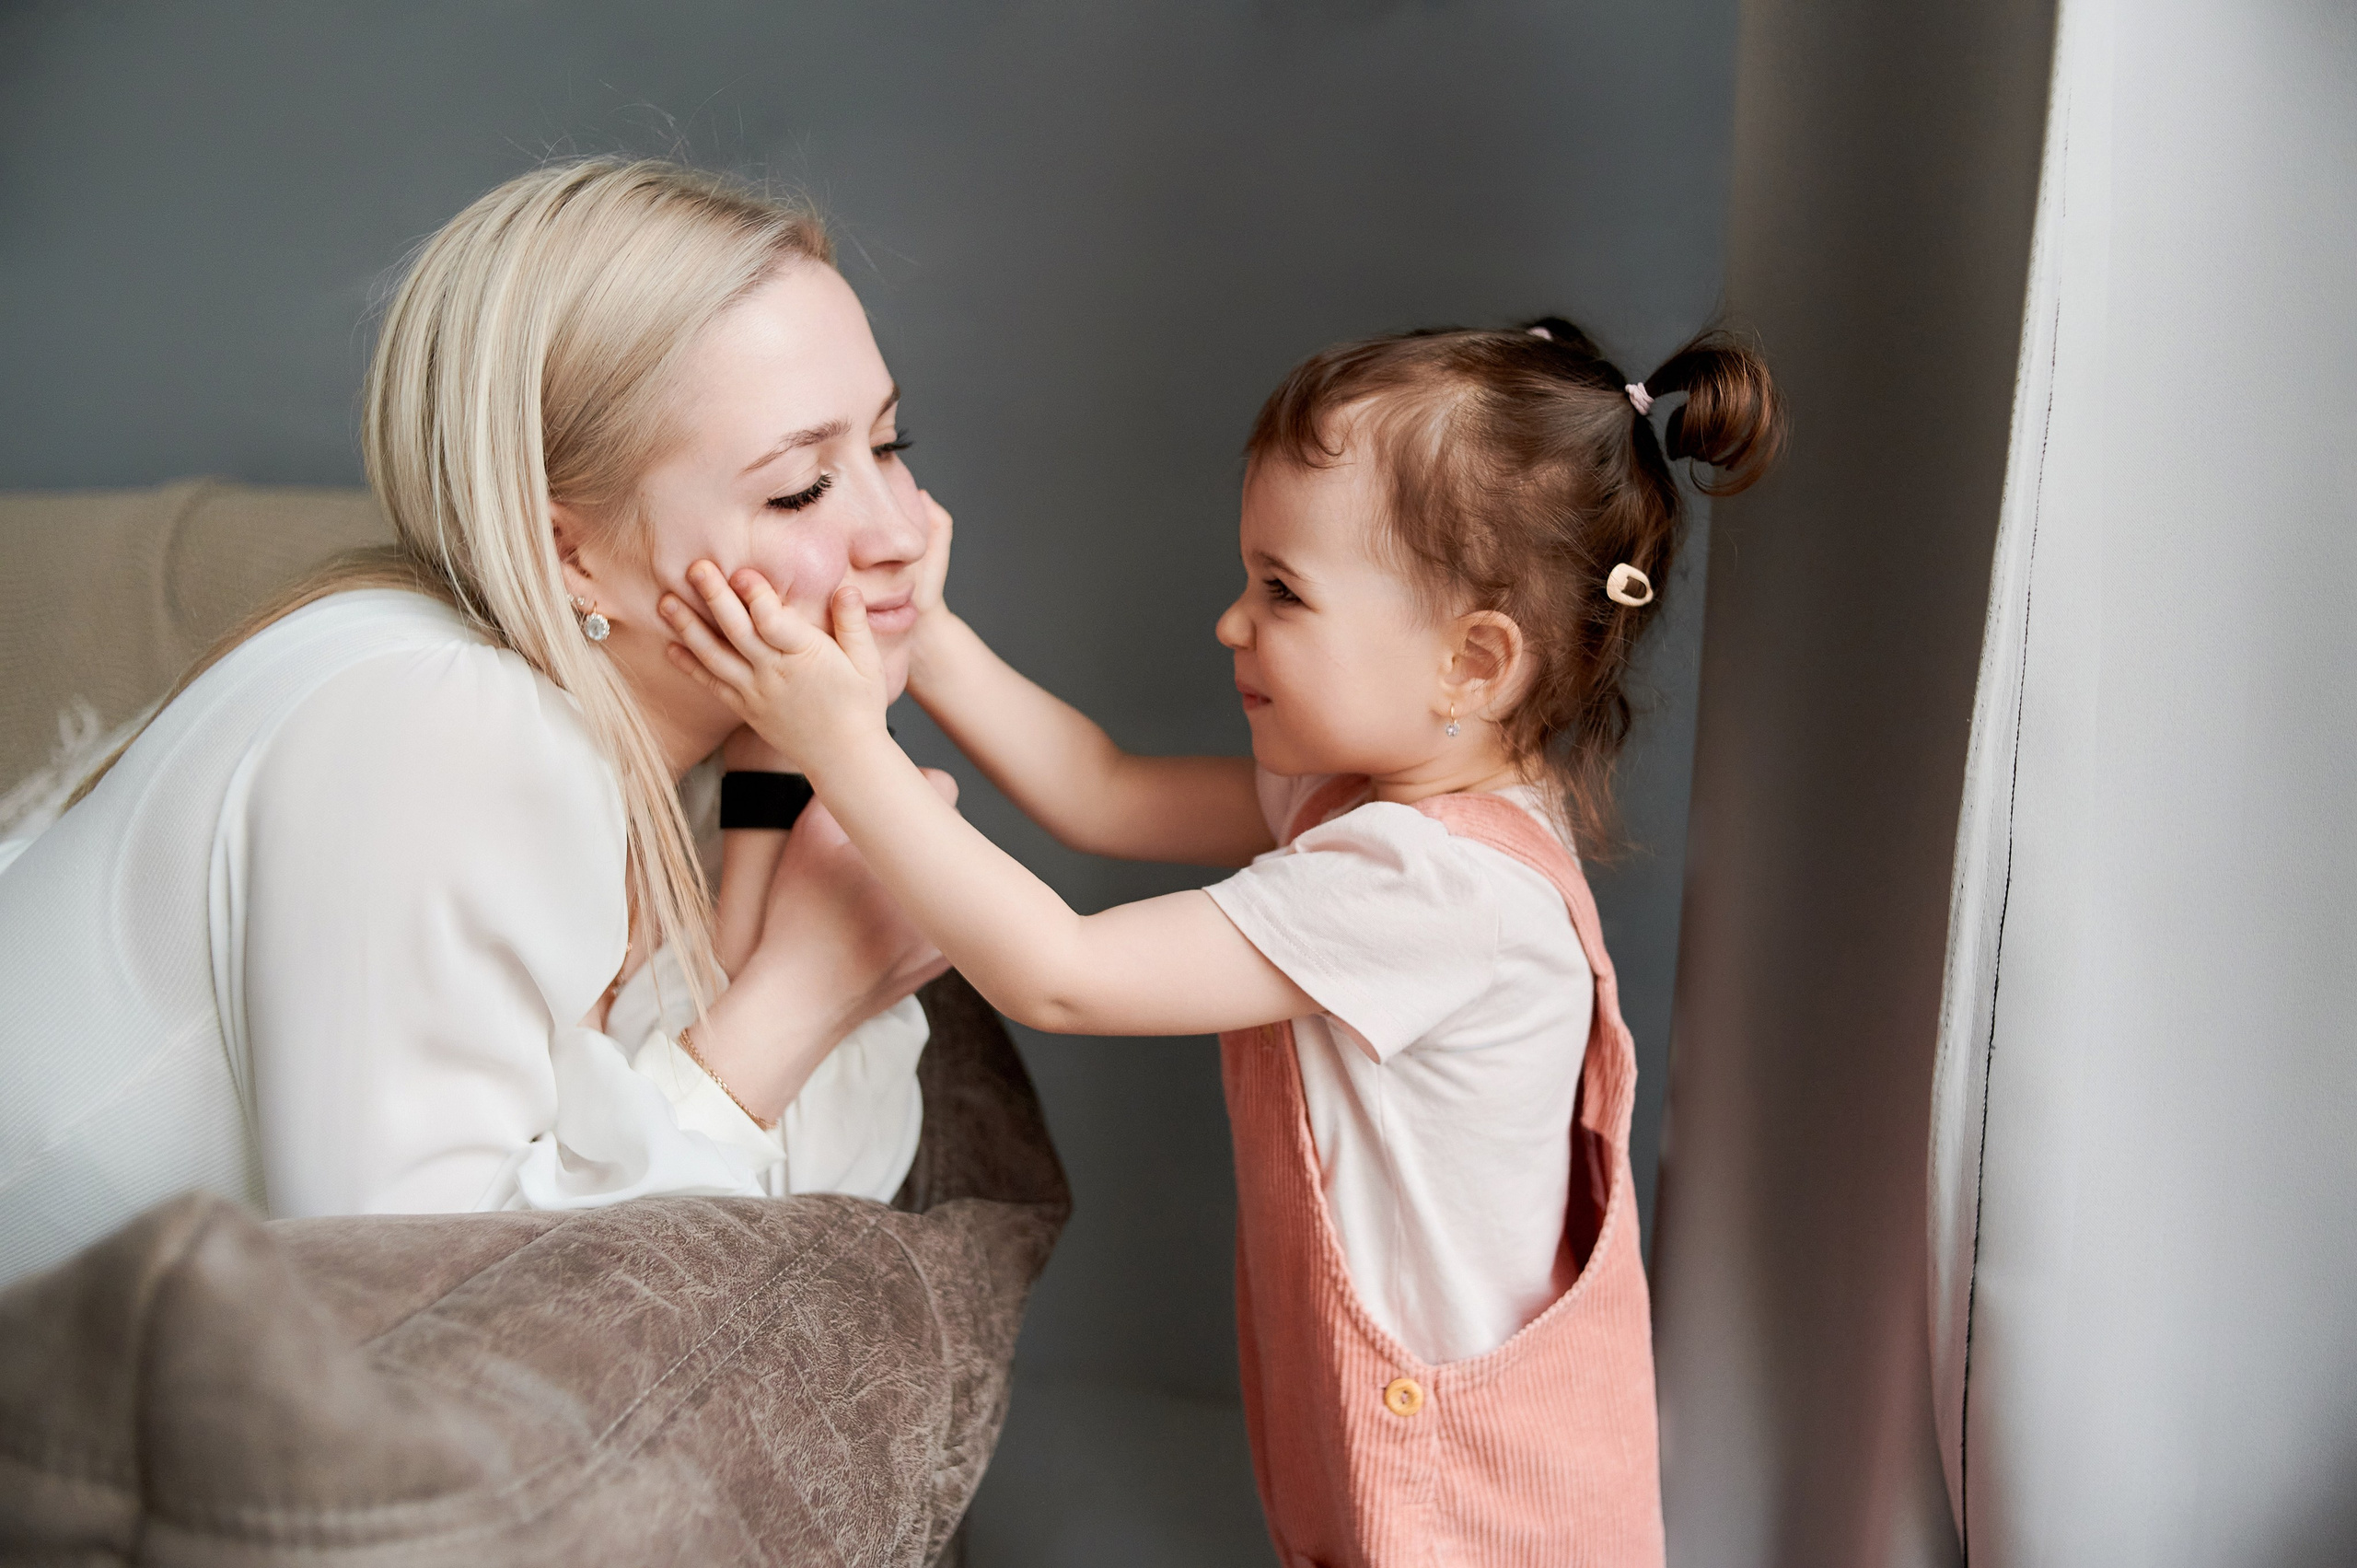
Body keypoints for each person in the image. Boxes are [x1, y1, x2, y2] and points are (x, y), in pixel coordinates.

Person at [666, 317, 1782, 1564]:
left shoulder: (1432, 889)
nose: (1231, 625)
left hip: (1473, 1515)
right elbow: (1101, 787)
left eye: (1283, 591)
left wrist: (838, 742)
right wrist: (916, 630)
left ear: (1473, 660)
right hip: (1383, 1475)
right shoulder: (1368, 802)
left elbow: (1064, 973)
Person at [0, 158, 959, 1288]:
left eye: (889, 448)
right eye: (802, 487)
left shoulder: (688, 729)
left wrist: (785, 784)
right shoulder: (443, 727)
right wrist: (804, 992)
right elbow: (435, 1312)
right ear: (567, 555)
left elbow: (801, 1232)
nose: (905, 527)